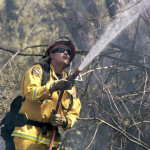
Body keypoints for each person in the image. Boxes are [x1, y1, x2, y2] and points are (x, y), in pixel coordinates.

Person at [11, 37, 81, 150]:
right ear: (51, 55)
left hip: (52, 142)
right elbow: (30, 93)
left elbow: (74, 111)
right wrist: (53, 87)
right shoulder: (37, 71)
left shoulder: (69, 85)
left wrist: (65, 120)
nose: (66, 52)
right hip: (28, 137)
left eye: (68, 51)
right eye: (62, 49)